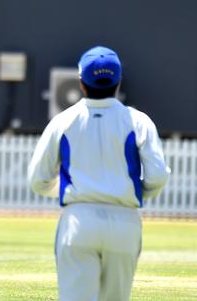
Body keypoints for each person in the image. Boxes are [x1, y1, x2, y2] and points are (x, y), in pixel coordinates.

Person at [27, 46, 170, 301]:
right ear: (118, 81)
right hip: (125, 219)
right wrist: (136, 192)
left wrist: (66, 188)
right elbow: (158, 175)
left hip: (78, 220)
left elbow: (38, 180)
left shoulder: (64, 120)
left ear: (81, 83)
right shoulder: (138, 121)